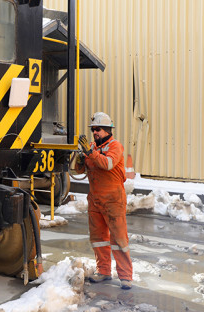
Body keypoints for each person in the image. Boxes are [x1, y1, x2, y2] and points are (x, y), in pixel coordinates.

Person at [75, 112, 133, 290]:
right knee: (98, 239)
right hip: (95, 200)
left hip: (113, 200)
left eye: (98, 129)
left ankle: (125, 277)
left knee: (118, 239)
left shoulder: (115, 146)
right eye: (93, 130)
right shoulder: (91, 147)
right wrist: (80, 159)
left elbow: (107, 164)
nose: (95, 133)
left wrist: (90, 153)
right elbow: (78, 171)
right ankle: (104, 271)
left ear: (108, 130)